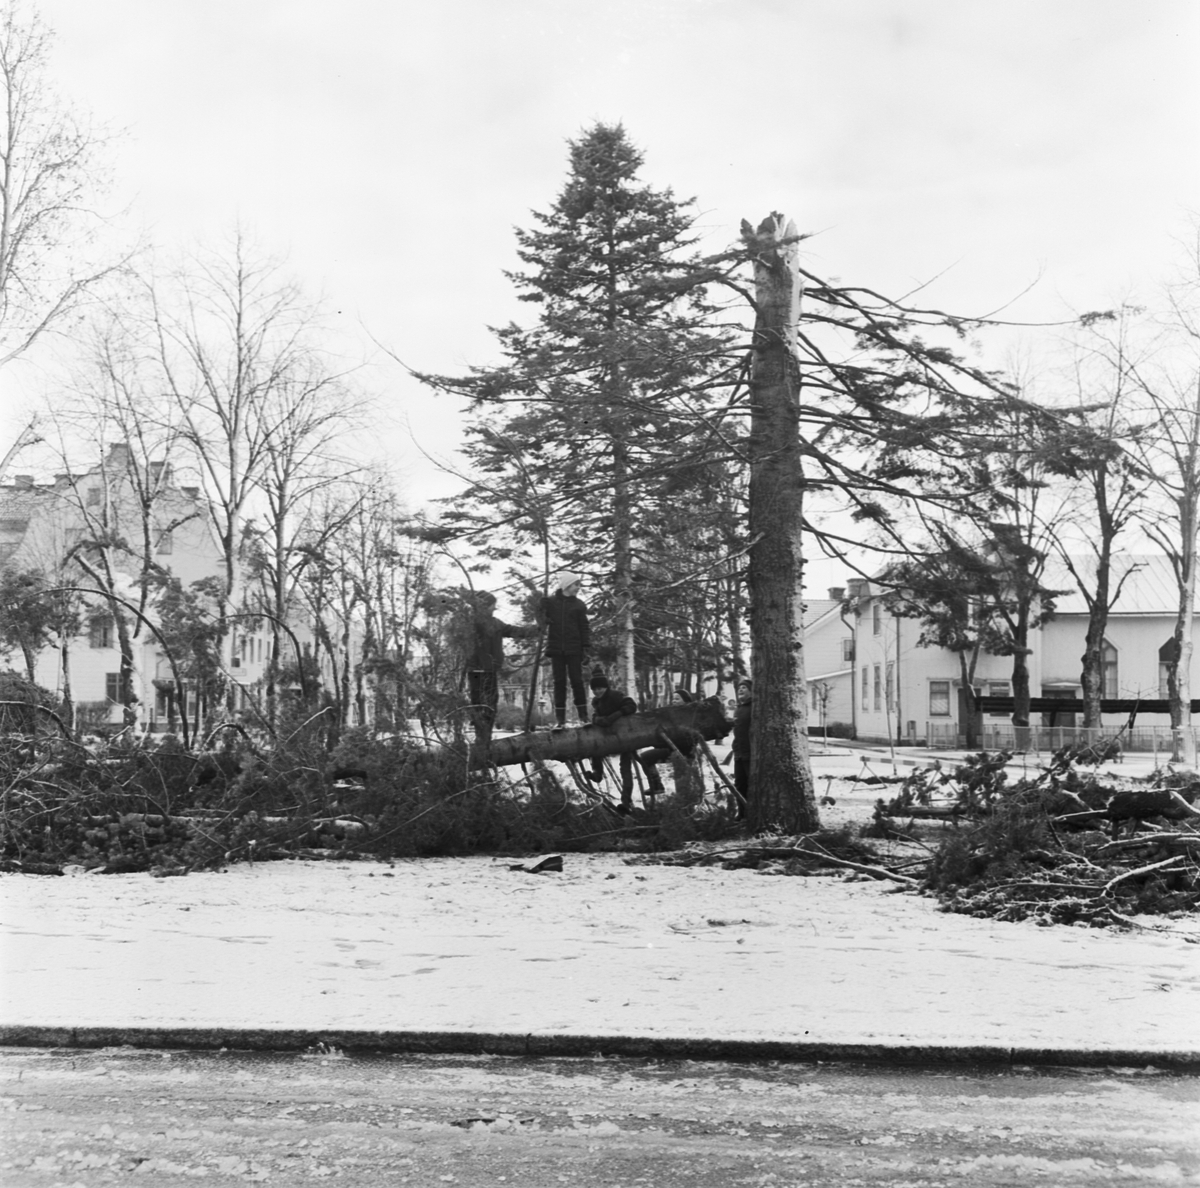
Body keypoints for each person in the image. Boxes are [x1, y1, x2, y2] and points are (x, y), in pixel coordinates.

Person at [464, 591, 537, 747]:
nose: (494, 608)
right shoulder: (472, 623)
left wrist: (537, 629)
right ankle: (480, 738)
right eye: (492, 605)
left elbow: (515, 631)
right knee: (478, 705)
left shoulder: (496, 624)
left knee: (490, 705)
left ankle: (486, 738)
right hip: (476, 671)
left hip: (490, 671)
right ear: (484, 606)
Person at [539, 570, 591, 729]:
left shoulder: (579, 605)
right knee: (559, 683)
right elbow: (542, 621)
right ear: (567, 585)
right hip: (556, 650)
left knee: (577, 681)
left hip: (574, 649)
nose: (578, 588)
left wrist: (586, 648)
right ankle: (560, 720)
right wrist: (540, 608)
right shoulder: (551, 602)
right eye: (576, 584)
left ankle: (583, 717)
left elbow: (584, 627)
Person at [583, 666, 638, 814]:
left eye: (600, 688)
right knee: (595, 750)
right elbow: (595, 716)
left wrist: (617, 715)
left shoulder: (615, 696)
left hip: (626, 735)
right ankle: (597, 774)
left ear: (606, 687)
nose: (597, 691)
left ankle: (626, 802)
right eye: (595, 689)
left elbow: (631, 706)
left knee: (625, 768)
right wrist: (600, 720)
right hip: (610, 736)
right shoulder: (596, 701)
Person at [636, 686, 695, 795]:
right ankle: (657, 786)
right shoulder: (673, 714)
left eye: (677, 699)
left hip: (682, 751)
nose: (674, 701)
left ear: (686, 701)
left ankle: (659, 787)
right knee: (645, 757)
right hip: (673, 749)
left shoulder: (688, 716)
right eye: (673, 698)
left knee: (682, 782)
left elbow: (684, 737)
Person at [731, 678, 752, 819]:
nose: (740, 689)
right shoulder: (739, 709)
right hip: (739, 753)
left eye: (744, 687)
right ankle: (742, 813)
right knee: (739, 784)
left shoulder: (754, 708)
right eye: (739, 687)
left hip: (750, 753)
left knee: (752, 784)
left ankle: (753, 813)